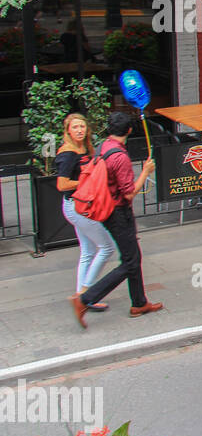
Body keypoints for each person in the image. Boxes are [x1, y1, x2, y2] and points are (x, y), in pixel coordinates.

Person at [69, 111, 162, 328]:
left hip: (107, 209)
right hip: (118, 212)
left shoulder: (103, 147)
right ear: (129, 130)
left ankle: (139, 303)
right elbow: (129, 193)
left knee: (133, 256)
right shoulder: (120, 157)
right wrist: (145, 172)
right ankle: (84, 299)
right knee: (130, 261)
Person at [54, 113, 116, 311]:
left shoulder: (84, 149)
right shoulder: (68, 153)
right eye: (75, 127)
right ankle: (85, 295)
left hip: (81, 206)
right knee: (107, 248)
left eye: (82, 126)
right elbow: (62, 184)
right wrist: (88, 183)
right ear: (68, 131)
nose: (79, 130)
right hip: (76, 207)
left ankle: (81, 294)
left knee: (88, 251)